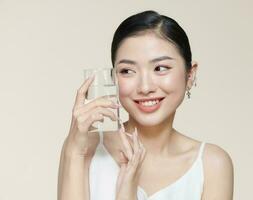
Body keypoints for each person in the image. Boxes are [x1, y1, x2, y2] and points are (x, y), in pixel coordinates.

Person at [58, 10, 234, 200]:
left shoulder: (211, 164)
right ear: (113, 79)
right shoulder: (85, 149)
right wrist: (74, 151)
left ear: (190, 75)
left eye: (160, 68)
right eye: (127, 71)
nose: (145, 87)